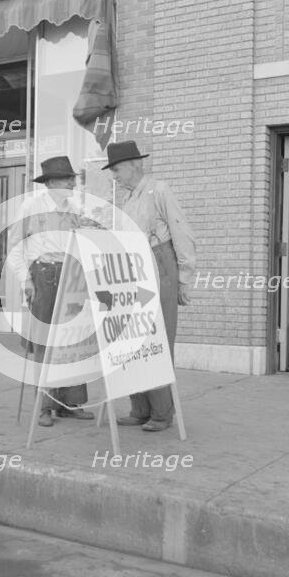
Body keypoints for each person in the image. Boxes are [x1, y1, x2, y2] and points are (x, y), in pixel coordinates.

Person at [103, 140, 196, 431]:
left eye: (117, 169)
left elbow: (182, 233)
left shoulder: (159, 190)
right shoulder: (128, 200)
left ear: (135, 164)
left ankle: (162, 413)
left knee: (157, 336)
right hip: (132, 270)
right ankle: (139, 408)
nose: (114, 176)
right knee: (133, 338)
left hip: (159, 264)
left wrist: (184, 279)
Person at [8, 156, 94, 427]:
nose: (73, 182)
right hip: (43, 274)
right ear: (52, 182)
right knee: (45, 342)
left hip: (71, 275)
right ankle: (45, 406)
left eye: (73, 178)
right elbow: (14, 245)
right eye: (68, 178)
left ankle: (70, 403)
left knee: (72, 340)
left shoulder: (76, 207)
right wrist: (26, 280)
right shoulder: (31, 206)